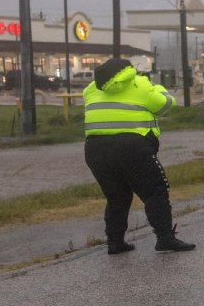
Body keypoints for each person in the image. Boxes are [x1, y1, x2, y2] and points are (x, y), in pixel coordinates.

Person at [83, 58, 196, 255]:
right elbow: (165, 105)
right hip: (132, 147)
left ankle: (115, 243)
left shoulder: (91, 89)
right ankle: (165, 238)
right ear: (129, 70)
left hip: (95, 149)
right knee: (155, 191)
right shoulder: (140, 84)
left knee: (116, 196)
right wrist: (159, 89)